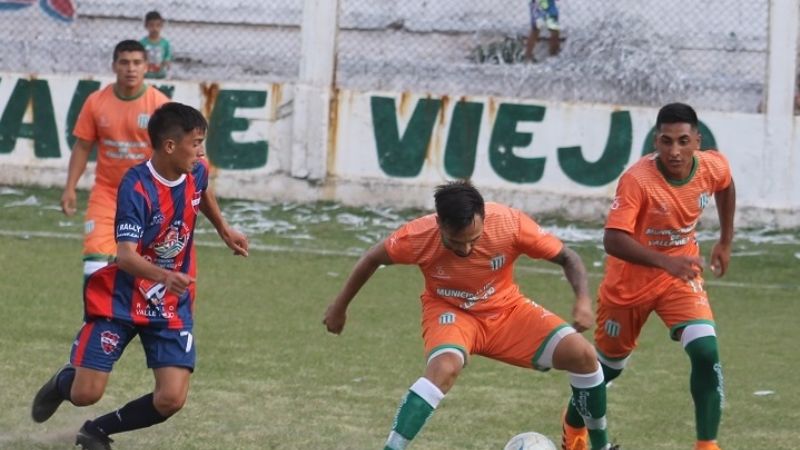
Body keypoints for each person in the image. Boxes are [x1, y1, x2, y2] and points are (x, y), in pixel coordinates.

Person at [324, 181, 618, 450]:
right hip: (450, 312)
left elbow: (568, 257)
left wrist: (582, 300)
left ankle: (600, 447)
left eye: (473, 240)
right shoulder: (417, 236)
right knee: (444, 369)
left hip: (507, 310)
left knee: (583, 355)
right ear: (439, 223)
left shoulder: (510, 224)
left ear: (484, 217)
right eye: (455, 242)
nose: (465, 249)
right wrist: (339, 306)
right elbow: (372, 258)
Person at [32, 102, 249, 449]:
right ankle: (63, 383)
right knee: (86, 393)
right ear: (169, 146)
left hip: (169, 303)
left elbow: (202, 188)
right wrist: (165, 275)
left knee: (171, 399)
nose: (201, 151)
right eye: (195, 143)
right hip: (121, 297)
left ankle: (97, 431)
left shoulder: (196, 169)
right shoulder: (137, 186)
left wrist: (223, 229)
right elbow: (126, 257)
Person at [561, 103, 735, 450]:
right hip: (629, 287)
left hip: (680, 279)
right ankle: (573, 426)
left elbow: (727, 186)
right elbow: (612, 239)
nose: (675, 151)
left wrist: (725, 242)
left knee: (705, 351)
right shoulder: (637, 180)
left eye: (683, 141)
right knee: (606, 369)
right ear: (656, 141)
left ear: (697, 141)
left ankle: (707, 445)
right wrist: (664, 262)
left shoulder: (712, 166)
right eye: (667, 141)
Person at [61, 39, 170, 278]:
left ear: (146, 67)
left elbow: (173, 155)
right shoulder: (96, 102)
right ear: (114, 66)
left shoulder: (160, 106)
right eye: (124, 62)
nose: (130, 68)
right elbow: (82, 147)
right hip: (107, 193)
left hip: (148, 196)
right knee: (95, 262)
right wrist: (70, 188)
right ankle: (91, 317)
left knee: (146, 268)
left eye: (136, 63)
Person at [140, 10, 172, 79]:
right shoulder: (142, 43)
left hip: (161, 76)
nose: (155, 28)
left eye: (158, 25)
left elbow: (168, 57)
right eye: (151, 25)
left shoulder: (165, 43)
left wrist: (166, 62)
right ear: (146, 26)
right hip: (146, 76)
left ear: (162, 26)